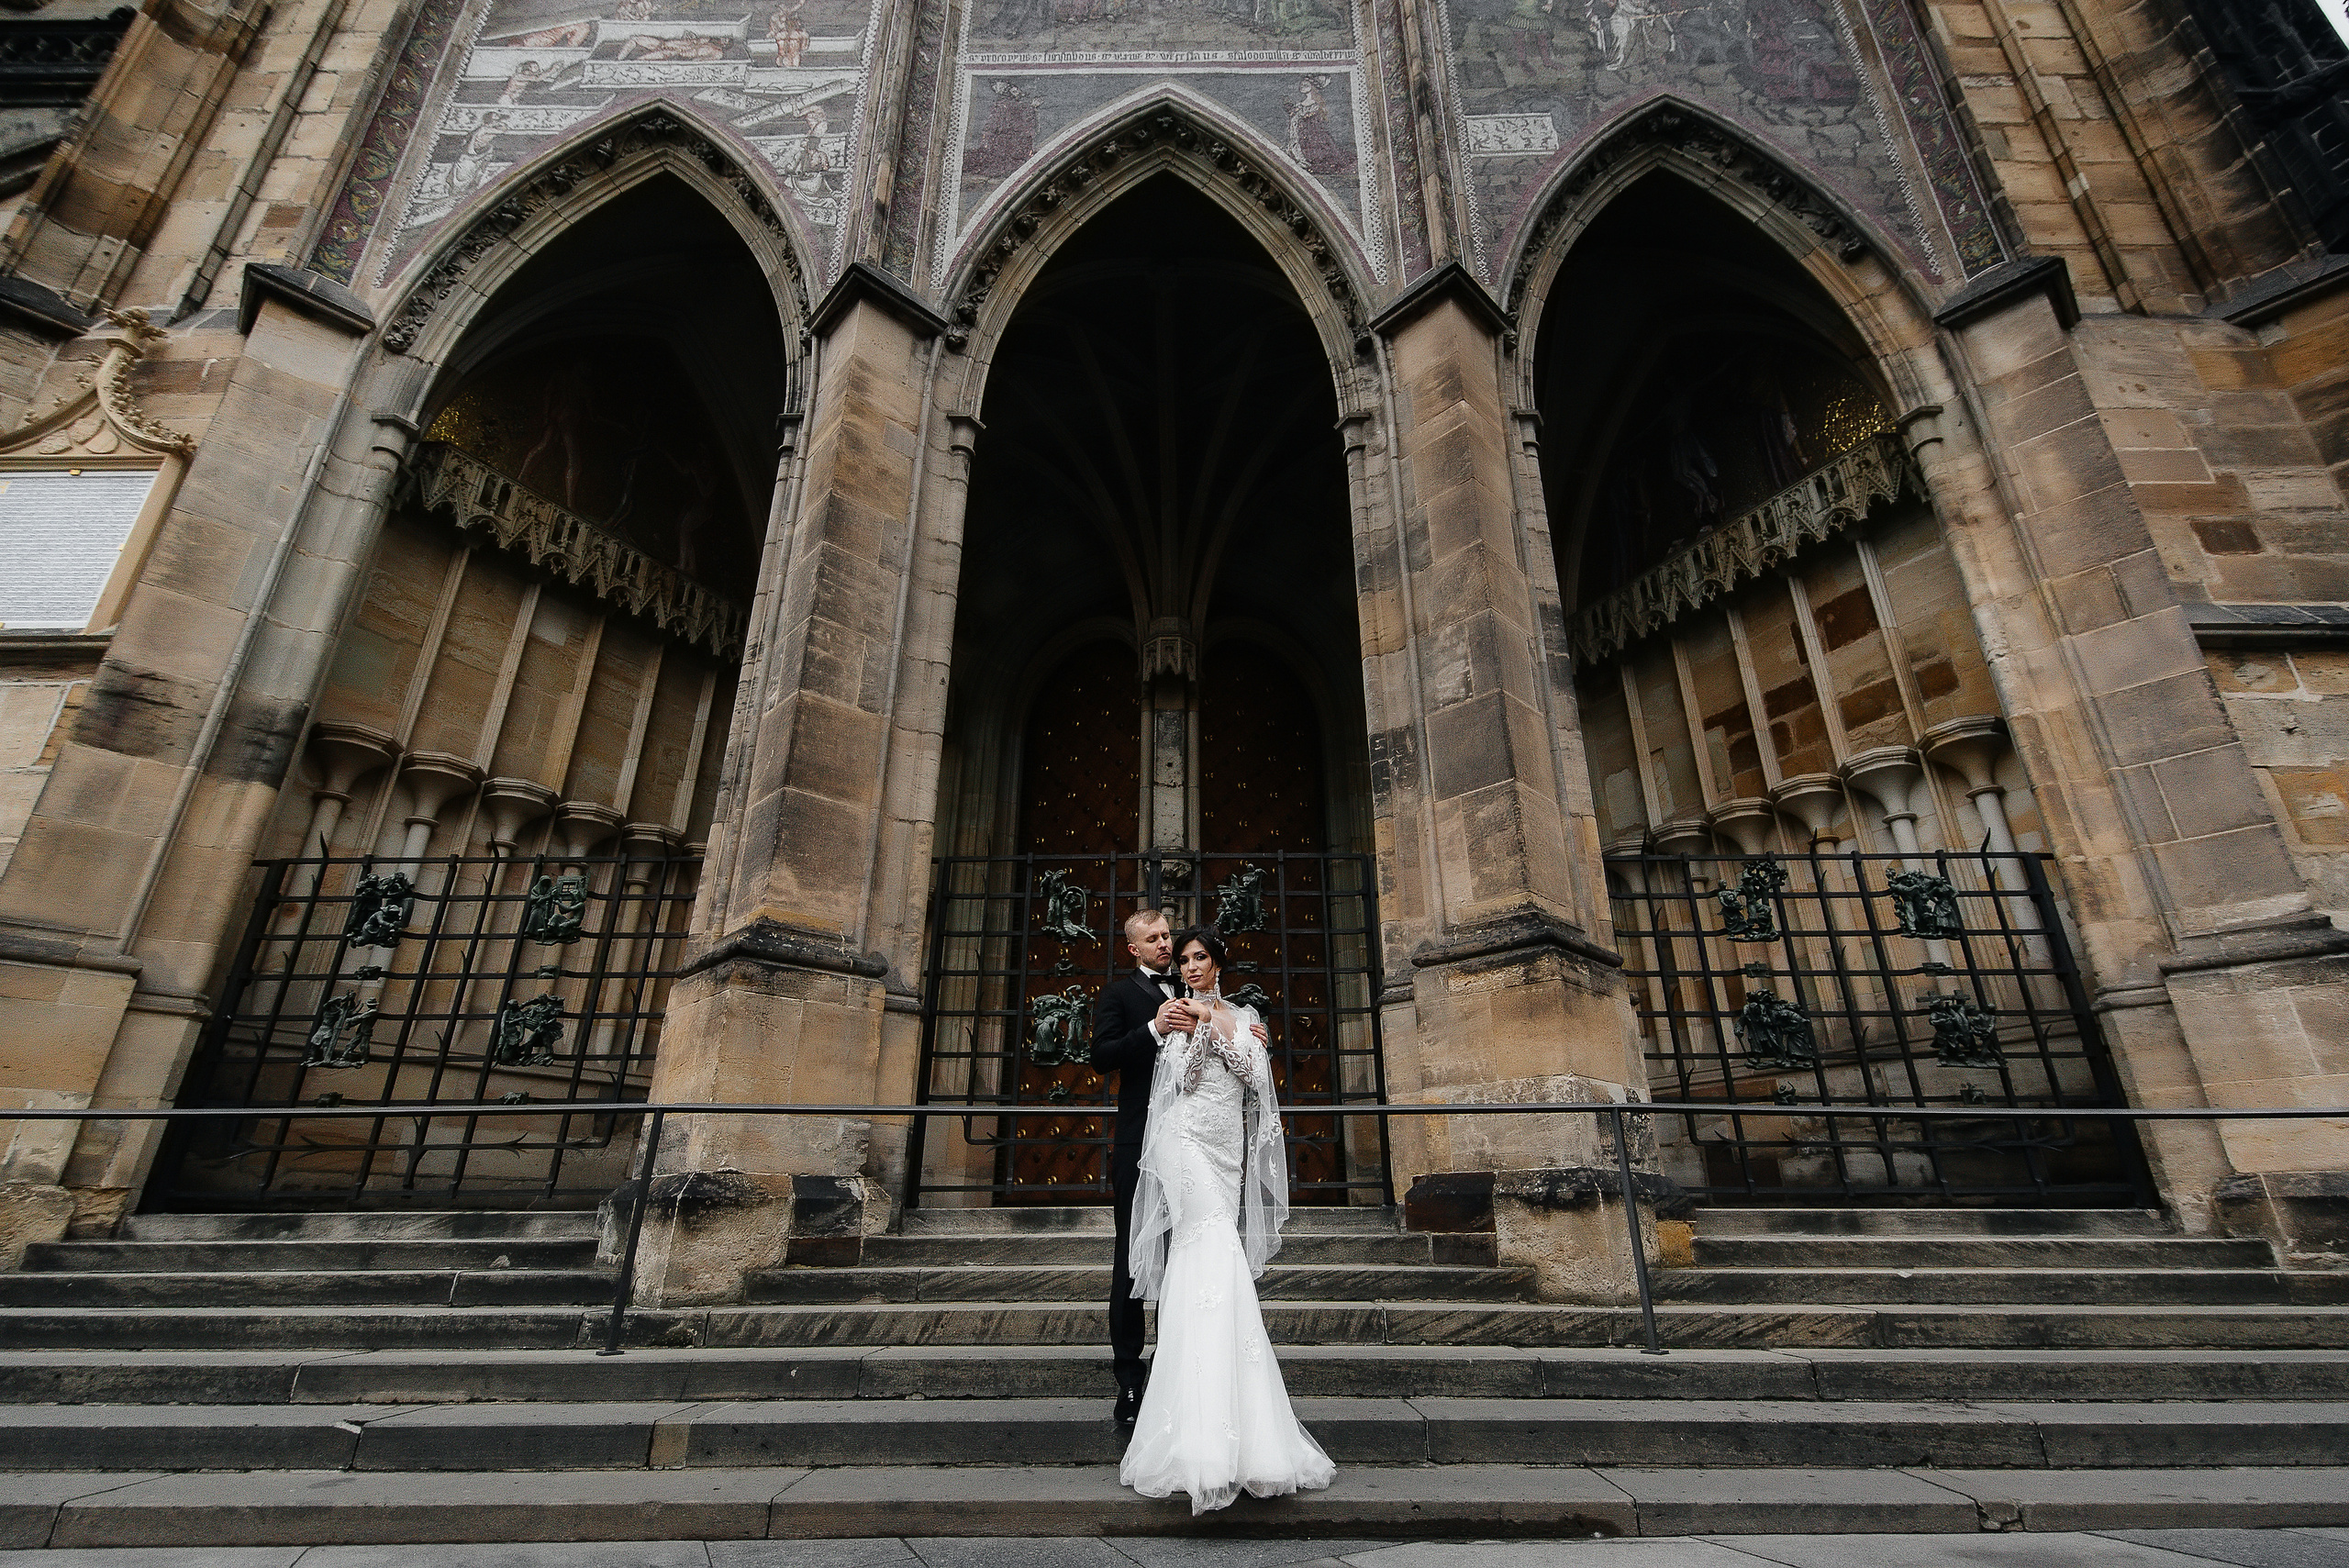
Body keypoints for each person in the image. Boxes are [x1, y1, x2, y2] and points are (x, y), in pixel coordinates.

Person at [1118, 925, 1335, 1514]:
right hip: (1184, 1142)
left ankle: (1242, 1426)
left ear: (1217, 964)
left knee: (1218, 1252)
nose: (1189, 967)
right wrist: (1186, 1031)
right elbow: (1179, 1084)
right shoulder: (1173, 1014)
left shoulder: (1243, 1016)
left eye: (1198, 958)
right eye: (1183, 959)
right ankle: (1192, 1430)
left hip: (1225, 1147)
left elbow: (1254, 1077)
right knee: (1205, 1243)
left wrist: (1221, 1025)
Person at [1090, 906, 1267, 1428]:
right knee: (1134, 1254)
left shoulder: (1194, 988)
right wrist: (1152, 1027)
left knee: (1189, 1253)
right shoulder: (1120, 995)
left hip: (1202, 1142)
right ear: (1134, 948)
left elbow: (1232, 1031)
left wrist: (1244, 1032)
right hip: (1140, 1143)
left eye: (1170, 936)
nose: (1167, 946)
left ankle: (1185, 1370)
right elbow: (1101, 1057)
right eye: (1155, 939)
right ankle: (1129, 1377)